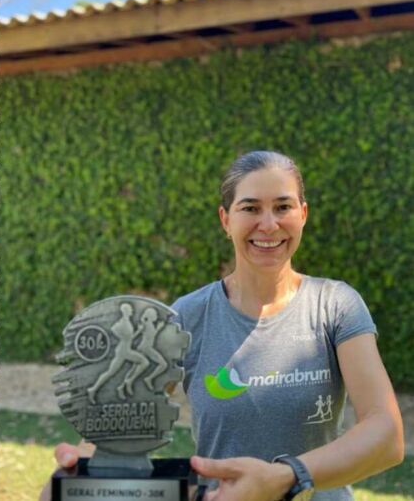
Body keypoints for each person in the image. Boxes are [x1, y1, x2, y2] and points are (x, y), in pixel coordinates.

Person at [43, 151, 403, 500]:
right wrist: (76, 474)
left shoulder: (335, 305)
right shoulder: (187, 317)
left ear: (303, 214)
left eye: (283, 207)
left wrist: (284, 477)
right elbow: (119, 428)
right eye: (250, 208)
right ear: (225, 219)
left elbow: (386, 434)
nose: (268, 224)